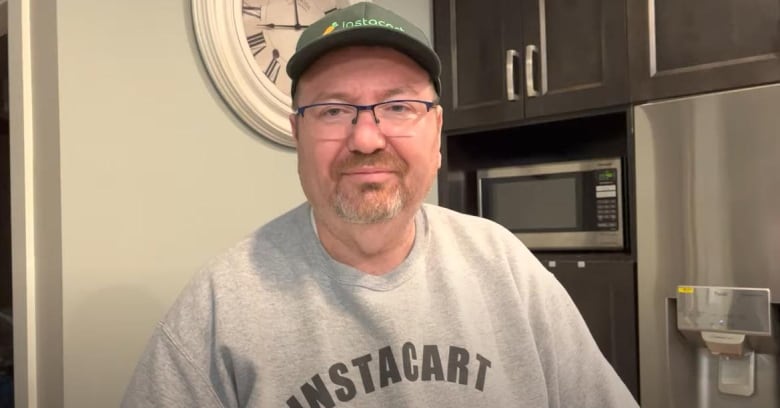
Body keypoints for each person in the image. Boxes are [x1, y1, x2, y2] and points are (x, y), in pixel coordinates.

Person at [122, 2, 639, 407]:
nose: (366, 137)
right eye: (332, 110)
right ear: (297, 134)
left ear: (437, 134)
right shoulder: (220, 308)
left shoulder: (505, 267)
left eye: (398, 106)